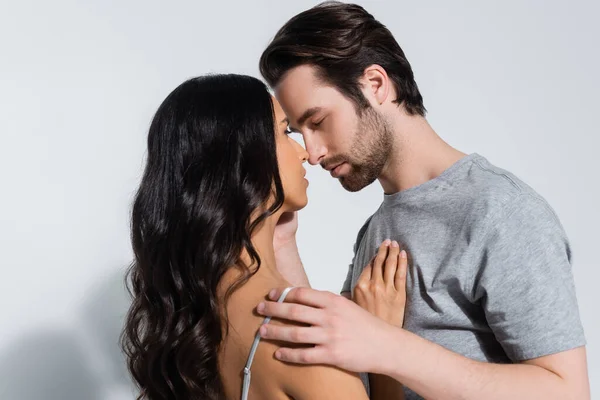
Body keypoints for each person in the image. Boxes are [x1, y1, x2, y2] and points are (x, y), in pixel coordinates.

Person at [255, 2, 591, 399]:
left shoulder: (498, 209)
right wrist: (283, 244)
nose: (311, 151)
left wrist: (388, 346)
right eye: (298, 132)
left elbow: (567, 391)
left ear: (375, 85)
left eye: (318, 122)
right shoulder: (380, 226)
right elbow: (341, 364)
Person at [120, 74, 408, 400]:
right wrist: (384, 346)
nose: (306, 154)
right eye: (285, 132)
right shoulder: (300, 342)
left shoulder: (195, 317)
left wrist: (278, 240)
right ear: (243, 157)